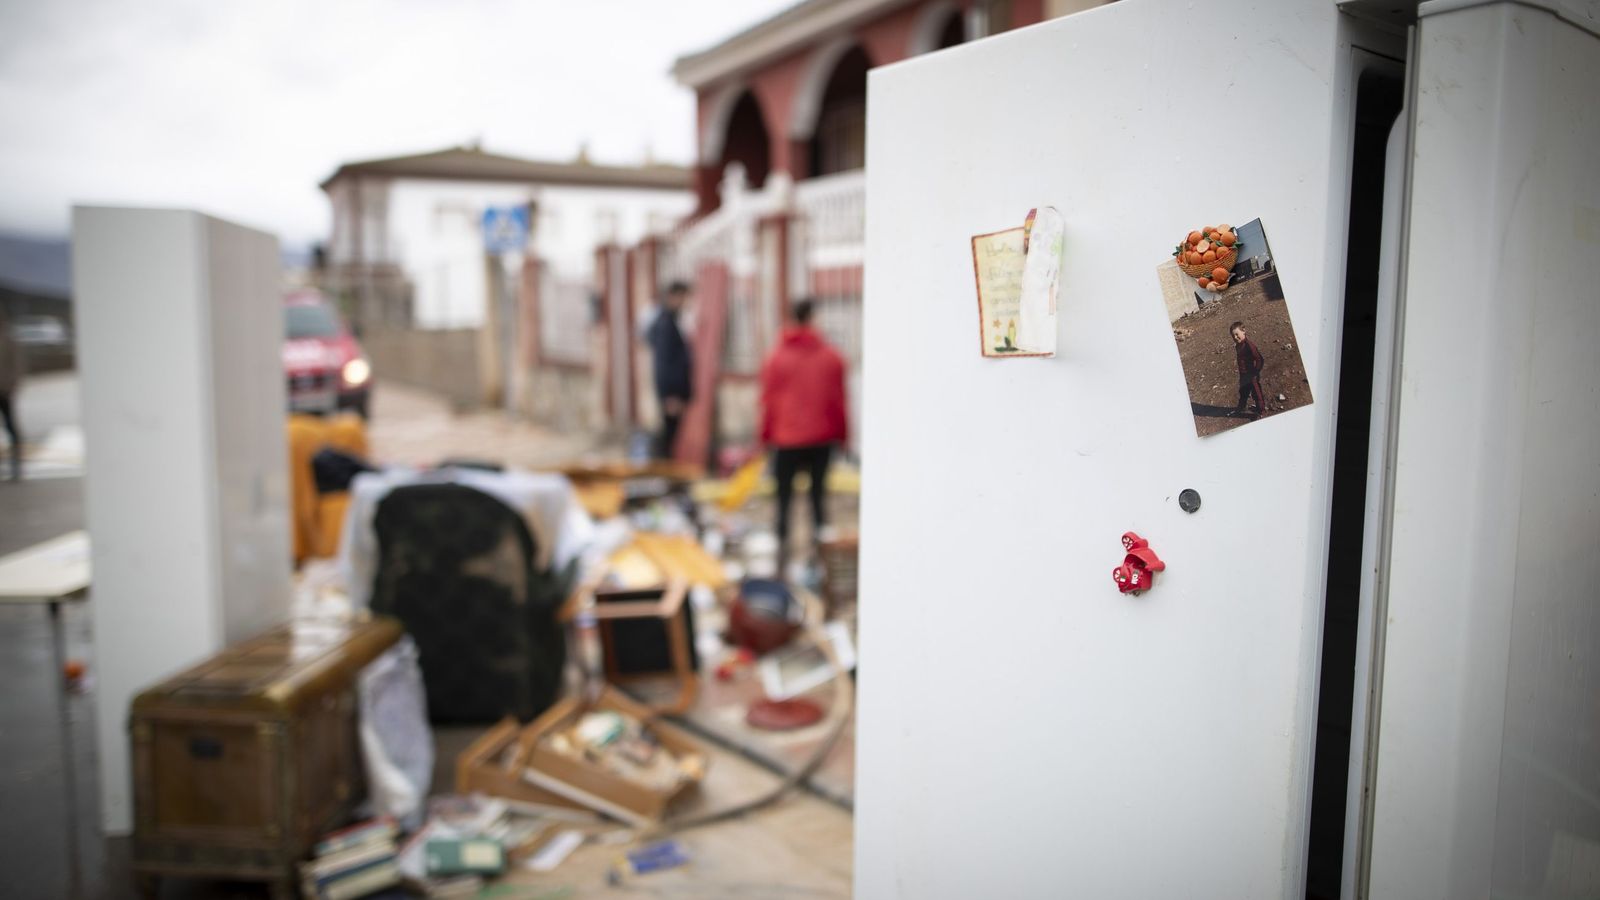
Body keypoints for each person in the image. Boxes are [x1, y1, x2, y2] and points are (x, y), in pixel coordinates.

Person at [759, 298, 848, 573]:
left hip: (785, 440)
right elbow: (838, 401)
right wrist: (843, 436)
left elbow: (767, 402)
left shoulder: (776, 357)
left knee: (783, 498)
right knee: (818, 498)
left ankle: (781, 555)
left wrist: (765, 438)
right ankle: (821, 556)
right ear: (812, 317)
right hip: (821, 439)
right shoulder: (831, 356)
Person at [645, 281, 692, 459]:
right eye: (683, 297)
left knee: (671, 436)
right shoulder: (666, 324)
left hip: (674, 392)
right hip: (671, 393)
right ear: (673, 296)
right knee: (668, 437)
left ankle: (664, 473)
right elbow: (664, 363)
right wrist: (670, 395)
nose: (685, 302)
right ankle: (662, 474)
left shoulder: (672, 321)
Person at [0, 310, 22, 481]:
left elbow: (17, 364)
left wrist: (12, 385)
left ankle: (17, 464)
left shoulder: (8, 339)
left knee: (10, 427)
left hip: (5, 390)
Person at [1230, 321, 1266, 419]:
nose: (1235, 337)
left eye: (1237, 334)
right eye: (1233, 336)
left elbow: (1259, 359)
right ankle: (1241, 407)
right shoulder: (1238, 346)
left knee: (1256, 393)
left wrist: (1255, 372)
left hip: (1252, 375)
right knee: (1243, 391)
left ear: (1244, 331)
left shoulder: (1249, 346)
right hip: (1243, 374)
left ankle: (1260, 410)